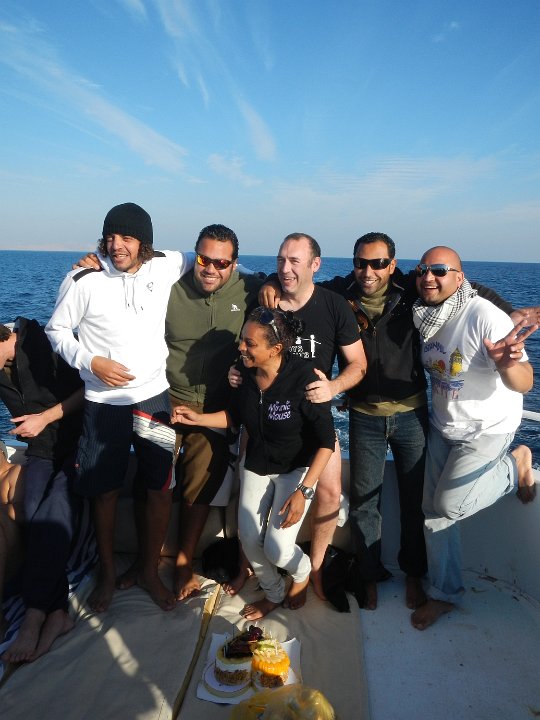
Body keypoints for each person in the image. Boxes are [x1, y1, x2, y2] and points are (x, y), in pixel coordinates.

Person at [317, 233, 535, 611]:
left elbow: (469, 290)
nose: (369, 271)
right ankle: (373, 577)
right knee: (371, 504)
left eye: (378, 263)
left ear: (392, 265)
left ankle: (415, 575)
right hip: (375, 418)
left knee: (420, 504)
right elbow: (304, 286)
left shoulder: (417, 293)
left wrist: (510, 318)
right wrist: (269, 285)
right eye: (361, 263)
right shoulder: (345, 294)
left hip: (417, 417)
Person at [46, 203, 194, 613]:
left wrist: (267, 282)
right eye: (110, 237)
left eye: (127, 237)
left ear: (144, 242)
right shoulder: (83, 278)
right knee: (105, 492)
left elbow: (208, 259)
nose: (116, 245)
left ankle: (148, 570)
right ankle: (109, 573)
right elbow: (56, 330)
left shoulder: (165, 264)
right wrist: (90, 361)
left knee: (160, 488)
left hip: (153, 397)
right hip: (103, 402)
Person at [172, 307, 335, 619]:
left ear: (275, 349)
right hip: (257, 463)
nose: (241, 347)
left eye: (249, 343)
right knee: (248, 539)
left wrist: (303, 492)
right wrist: (198, 419)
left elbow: (327, 442)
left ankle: (301, 574)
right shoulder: (244, 372)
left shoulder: (305, 378)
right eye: (242, 340)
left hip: (296, 470)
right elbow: (236, 417)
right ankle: (273, 592)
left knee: (277, 548)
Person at [409, 246, 537, 630]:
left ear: (459, 277)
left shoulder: (484, 316)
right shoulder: (422, 316)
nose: (429, 277)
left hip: (487, 428)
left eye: (439, 270)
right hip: (445, 425)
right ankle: (445, 594)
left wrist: (506, 364)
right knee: (432, 513)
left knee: (449, 504)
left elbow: (525, 382)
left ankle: (515, 465)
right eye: (423, 270)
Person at [237, 233, 367, 607]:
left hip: (312, 417)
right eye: (280, 260)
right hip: (268, 417)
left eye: (295, 261)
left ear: (315, 265)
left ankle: (315, 570)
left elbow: (359, 364)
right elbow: (246, 350)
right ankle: (247, 567)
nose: (285, 268)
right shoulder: (265, 301)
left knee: (328, 492)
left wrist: (334, 387)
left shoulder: (333, 306)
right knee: (245, 488)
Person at [165, 224, 264, 601]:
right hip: (165, 397)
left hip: (215, 406)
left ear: (234, 265)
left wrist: (272, 284)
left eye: (222, 263)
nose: (211, 268)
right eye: (204, 259)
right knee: (154, 482)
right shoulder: (168, 286)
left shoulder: (251, 288)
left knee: (201, 486)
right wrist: (96, 261)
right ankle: (145, 561)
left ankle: (182, 563)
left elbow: (292, 287)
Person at [0, 319, 84, 662]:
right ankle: (59, 612)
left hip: (78, 445)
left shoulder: (48, 343)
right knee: (32, 511)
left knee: (53, 511)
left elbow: (89, 390)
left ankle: (34, 618)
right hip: (41, 451)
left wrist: (44, 418)